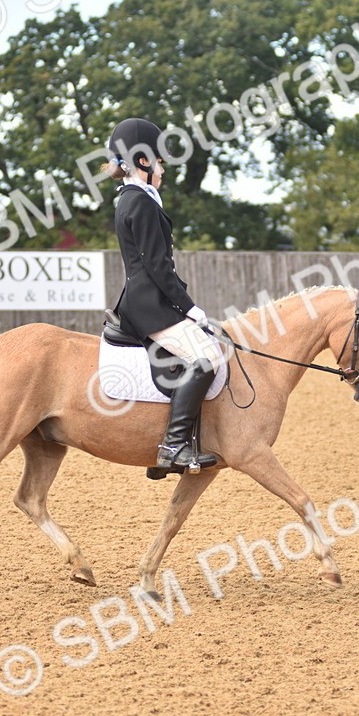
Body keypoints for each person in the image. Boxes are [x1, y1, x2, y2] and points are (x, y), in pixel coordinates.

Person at [102, 117, 224, 474]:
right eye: (159, 160)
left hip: (151, 301)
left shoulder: (135, 198)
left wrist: (184, 304)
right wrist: (189, 307)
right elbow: (157, 266)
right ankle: (172, 446)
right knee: (206, 357)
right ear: (143, 161)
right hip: (147, 306)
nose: (163, 167)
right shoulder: (138, 201)